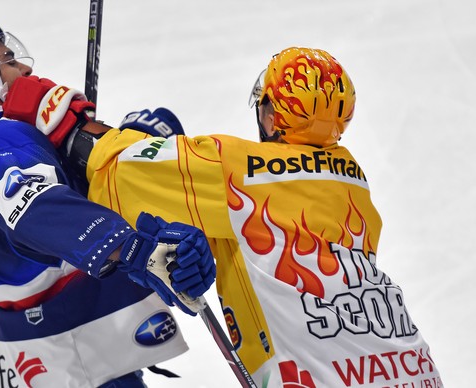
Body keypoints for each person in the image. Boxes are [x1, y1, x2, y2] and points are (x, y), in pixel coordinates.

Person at [70, 47, 443, 387]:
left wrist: (59, 111)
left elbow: (115, 163)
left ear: (270, 116)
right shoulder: (352, 180)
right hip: (413, 368)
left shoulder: (235, 169)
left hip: (323, 376)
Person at [0, 14, 215, 388]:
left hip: (58, 346)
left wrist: (111, 142)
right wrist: (135, 250)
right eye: (7, 59)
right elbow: (38, 209)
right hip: (72, 350)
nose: (21, 66)